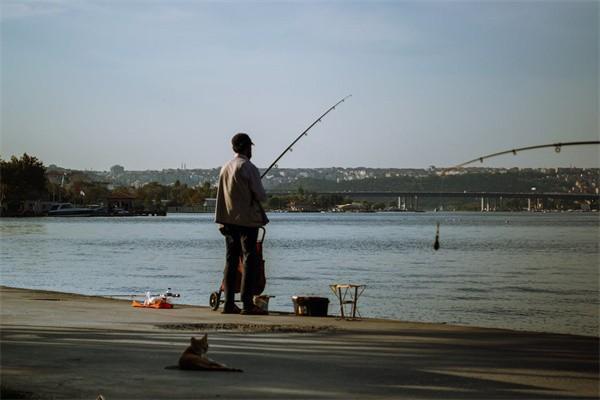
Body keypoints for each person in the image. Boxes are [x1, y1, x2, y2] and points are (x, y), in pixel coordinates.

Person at [215, 133, 269, 315]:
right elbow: (261, 196)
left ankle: (228, 303)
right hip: (246, 221)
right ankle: (247, 303)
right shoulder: (249, 167)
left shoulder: (225, 168)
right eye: (250, 147)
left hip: (227, 221)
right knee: (249, 260)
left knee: (231, 261)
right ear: (247, 147)